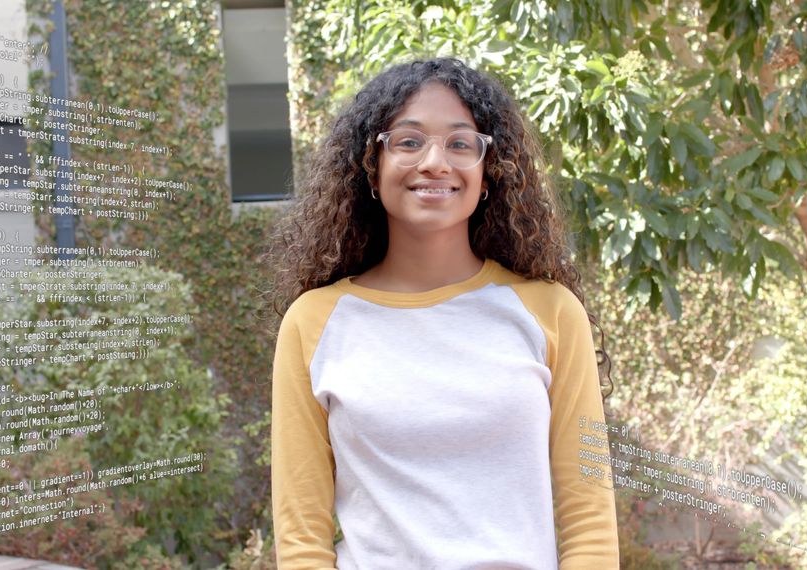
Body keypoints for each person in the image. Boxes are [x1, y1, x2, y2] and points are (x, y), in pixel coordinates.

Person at [265, 57, 619, 569]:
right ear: (372, 165)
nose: (435, 161)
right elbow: (301, 539)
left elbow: (588, 516)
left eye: (460, 143)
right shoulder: (314, 322)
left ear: (488, 172)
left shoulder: (550, 312)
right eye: (408, 142)